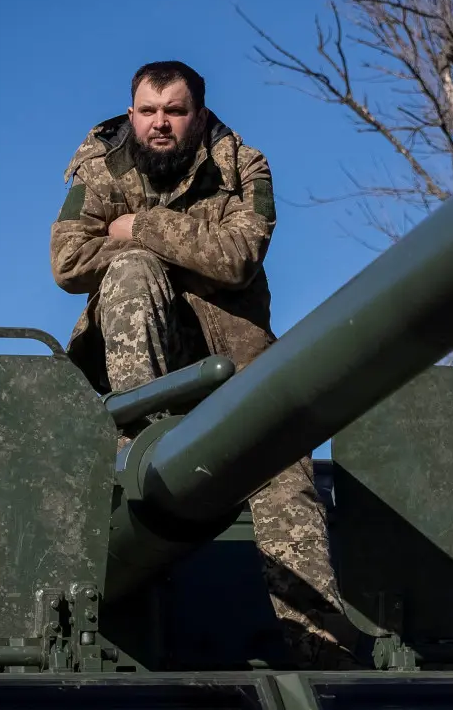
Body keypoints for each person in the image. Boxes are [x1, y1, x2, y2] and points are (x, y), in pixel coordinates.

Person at [49, 60, 360, 669]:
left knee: (286, 478)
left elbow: (240, 258)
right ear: (132, 111)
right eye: (148, 111)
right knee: (132, 272)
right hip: (134, 374)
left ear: (199, 114)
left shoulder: (243, 166)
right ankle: (142, 437)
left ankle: (323, 658)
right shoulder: (103, 166)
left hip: (233, 367)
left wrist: (142, 224)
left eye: (174, 111)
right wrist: (171, 252)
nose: (159, 124)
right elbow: (68, 260)